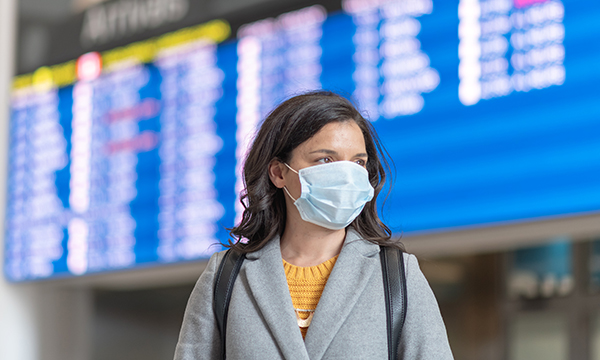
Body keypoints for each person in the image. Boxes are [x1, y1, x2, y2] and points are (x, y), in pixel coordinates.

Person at [174, 91, 454, 359]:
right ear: (279, 173)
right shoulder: (225, 276)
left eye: (358, 162)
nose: (347, 176)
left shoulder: (397, 276)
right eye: (325, 159)